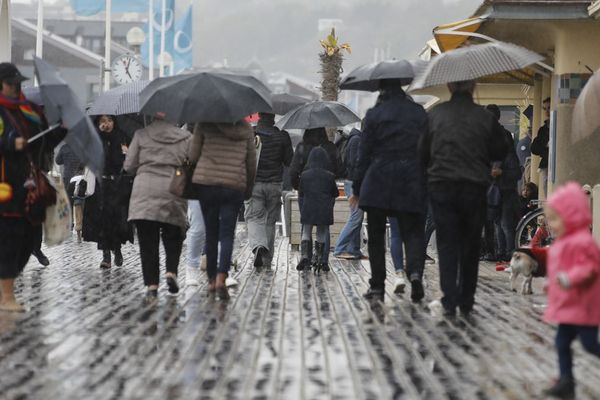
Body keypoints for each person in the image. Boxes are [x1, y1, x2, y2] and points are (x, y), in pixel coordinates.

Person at [421, 80, 507, 316]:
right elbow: (500, 150)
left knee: (446, 242)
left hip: (441, 188)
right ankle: (466, 299)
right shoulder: (484, 117)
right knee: (470, 243)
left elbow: (422, 153)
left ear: (449, 87)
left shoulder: (435, 115)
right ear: (473, 87)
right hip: (474, 187)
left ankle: (449, 298)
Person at [351, 79, 428, 302]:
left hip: (378, 181)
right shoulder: (418, 113)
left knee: (375, 236)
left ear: (382, 88)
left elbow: (363, 155)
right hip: (410, 179)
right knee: (412, 232)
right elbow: (427, 149)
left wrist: (357, 187)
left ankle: (377, 285)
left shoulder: (374, 114)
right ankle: (414, 273)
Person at [0, 63, 66, 311]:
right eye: (10, 83)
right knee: (8, 240)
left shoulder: (28, 111)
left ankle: (5, 289)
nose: (16, 88)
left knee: (27, 241)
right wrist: (9, 143)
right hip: (4, 186)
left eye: (18, 83)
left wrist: (62, 129)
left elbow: (44, 141)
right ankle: (6, 297)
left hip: (28, 185)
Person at [542, 182, 600, 399]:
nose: (551, 224)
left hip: (584, 306)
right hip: (569, 306)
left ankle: (567, 381)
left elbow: (590, 268)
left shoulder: (582, 242)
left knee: (590, 344)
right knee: (561, 342)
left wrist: (569, 278)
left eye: (556, 219)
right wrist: (553, 285)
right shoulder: (564, 242)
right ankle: (566, 381)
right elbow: (560, 269)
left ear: (572, 216)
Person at [124, 117, 191, 297]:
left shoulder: (141, 135)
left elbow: (129, 166)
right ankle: (171, 271)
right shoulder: (185, 137)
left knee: (148, 241)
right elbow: (191, 162)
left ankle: (152, 285)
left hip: (144, 192)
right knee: (173, 235)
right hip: (173, 189)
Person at [189, 121, 256, 299]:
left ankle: (211, 280)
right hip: (234, 185)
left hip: (207, 184)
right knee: (227, 234)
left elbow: (193, 156)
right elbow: (251, 162)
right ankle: (221, 277)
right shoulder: (245, 128)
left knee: (211, 233)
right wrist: (247, 189)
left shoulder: (204, 124)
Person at [83, 115, 132, 268]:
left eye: (109, 120)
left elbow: (129, 162)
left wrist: (126, 153)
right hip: (101, 184)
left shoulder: (122, 137)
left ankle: (117, 250)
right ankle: (106, 255)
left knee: (117, 219)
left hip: (118, 184)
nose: (107, 124)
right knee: (103, 220)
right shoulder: (95, 139)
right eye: (103, 121)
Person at [245, 112, 293, 268]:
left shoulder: (251, 134)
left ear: (259, 117)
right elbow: (289, 161)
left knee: (254, 217)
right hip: (275, 184)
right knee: (270, 221)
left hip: (255, 184)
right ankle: (267, 258)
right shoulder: (282, 136)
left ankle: (259, 246)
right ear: (273, 119)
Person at [290, 127, 342, 266]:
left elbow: (293, 170)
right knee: (323, 224)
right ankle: (322, 259)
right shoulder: (330, 147)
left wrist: (299, 186)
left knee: (307, 222)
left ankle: (305, 257)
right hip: (327, 190)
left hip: (305, 190)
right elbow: (339, 168)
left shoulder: (302, 146)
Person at [486, 104, 522, 262]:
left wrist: (501, 172)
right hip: (496, 189)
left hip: (506, 189)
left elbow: (516, 173)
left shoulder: (508, 154)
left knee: (505, 223)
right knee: (497, 222)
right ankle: (501, 252)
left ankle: (509, 252)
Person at [297, 147, 339, 271]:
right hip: (323, 208)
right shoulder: (330, 176)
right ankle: (320, 258)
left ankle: (305, 256)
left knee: (306, 231)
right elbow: (335, 193)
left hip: (308, 207)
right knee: (321, 232)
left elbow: (301, 193)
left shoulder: (304, 175)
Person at [334, 128, 366, 260]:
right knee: (356, 217)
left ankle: (354, 250)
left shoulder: (356, 139)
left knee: (357, 217)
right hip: (353, 183)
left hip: (353, 182)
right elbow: (355, 164)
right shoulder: (357, 140)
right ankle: (339, 249)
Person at [531, 97, 551, 197]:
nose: (547, 111)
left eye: (549, 108)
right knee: (547, 191)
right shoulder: (543, 129)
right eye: (545, 109)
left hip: (556, 164)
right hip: (546, 164)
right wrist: (545, 150)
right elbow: (534, 148)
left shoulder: (558, 125)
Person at [185, 200, 205, 287]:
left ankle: (224, 269)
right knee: (199, 227)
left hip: (221, 188)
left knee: (222, 226)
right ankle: (191, 267)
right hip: (197, 189)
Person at [67, 167, 87, 244]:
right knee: (85, 218)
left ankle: (79, 237)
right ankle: (85, 235)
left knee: (78, 218)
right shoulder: (86, 178)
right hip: (85, 200)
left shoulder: (72, 179)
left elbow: (69, 192)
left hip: (77, 201)